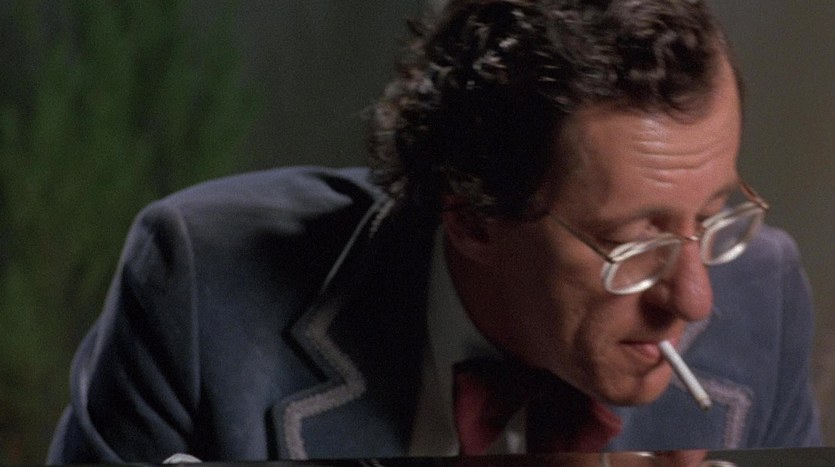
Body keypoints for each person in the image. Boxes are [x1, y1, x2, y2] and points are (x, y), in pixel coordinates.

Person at [47, 0, 821, 463]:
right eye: (633, 244)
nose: (693, 297)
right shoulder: (199, 280)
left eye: (712, 216)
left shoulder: (766, 299)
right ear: (473, 216)